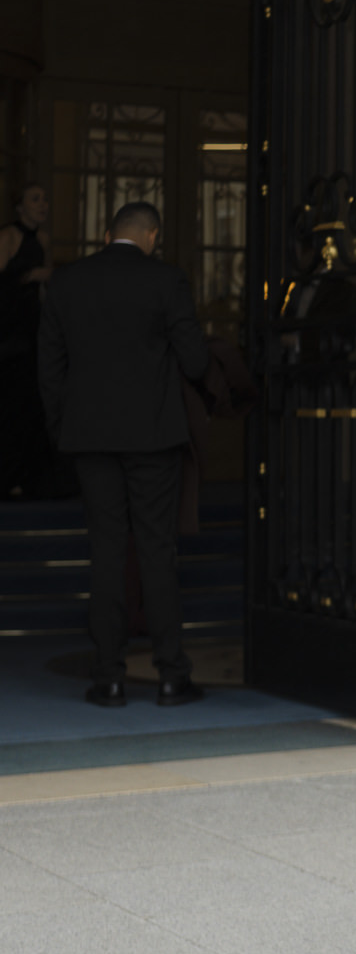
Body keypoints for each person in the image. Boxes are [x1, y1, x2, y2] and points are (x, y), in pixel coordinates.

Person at [37, 200, 209, 710]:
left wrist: (60, 429)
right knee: (157, 552)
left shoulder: (67, 283)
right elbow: (196, 360)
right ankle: (171, 676)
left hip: (89, 438)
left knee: (106, 553)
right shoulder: (166, 281)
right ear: (152, 234)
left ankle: (108, 677)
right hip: (153, 437)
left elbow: (49, 367)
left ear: (108, 232)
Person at [0, 182, 53, 499]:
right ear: (19, 206)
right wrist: (32, 276)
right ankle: (8, 477)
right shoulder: (7, 236)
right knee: (9, 402)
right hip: (7, 330)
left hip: (33, 329)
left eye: (45, 198)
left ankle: (27, 476)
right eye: (35, 199)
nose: (43, 204)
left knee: (31, 404)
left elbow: (46, 288)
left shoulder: (43, 239)